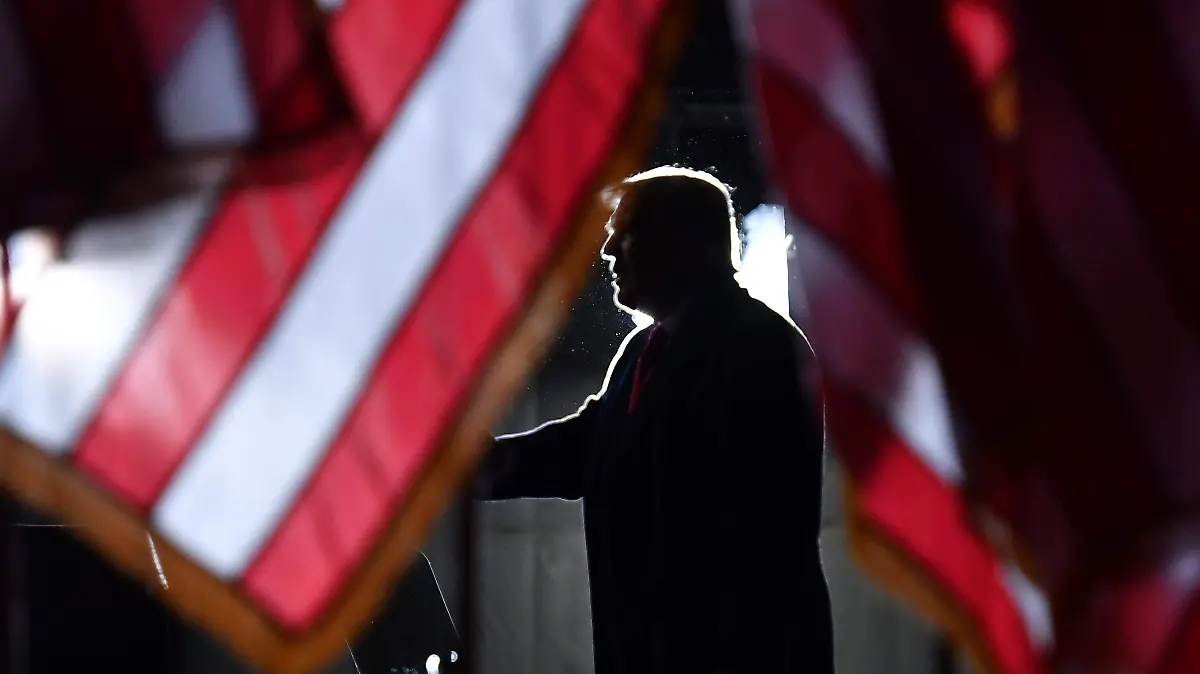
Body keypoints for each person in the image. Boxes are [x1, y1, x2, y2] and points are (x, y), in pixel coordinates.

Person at [478, 167, 833, 674]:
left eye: (626, 233)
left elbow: (758, 547)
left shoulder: (761, 347)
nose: (608, 251)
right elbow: (580, 450)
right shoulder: (642, 351)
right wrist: (453, 470)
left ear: (682, 241)